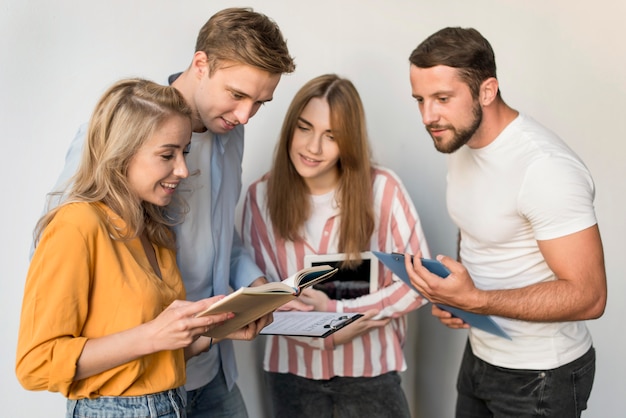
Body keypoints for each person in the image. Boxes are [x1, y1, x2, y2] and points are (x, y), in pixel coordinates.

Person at [38, 7, 296, 418]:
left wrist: (258, 287)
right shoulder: (120, 133)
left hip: (209, 366)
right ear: (200, 64)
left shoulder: (233, 133)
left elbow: (220, 237)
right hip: (134, 381)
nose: (245, 115)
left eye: (260, 103)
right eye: (237, 94)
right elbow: (66, 242)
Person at [406, 27, 607, 417]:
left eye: (442, 98)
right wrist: (457, 299)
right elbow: (480, 227)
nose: (429, 116)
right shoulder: (459, 141)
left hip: (542, 374)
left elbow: (591, 296)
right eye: (420, 100)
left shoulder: (545, 169)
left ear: (487, 91)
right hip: (481, 356)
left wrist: (477, 300)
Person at [16, 78, 239, 417]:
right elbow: (36, 365)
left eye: (184, 153)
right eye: (167, 155)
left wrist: (218, 331)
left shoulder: (154, 229)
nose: (182, 170)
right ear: (120, 153)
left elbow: (150, 361)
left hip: (172, 403)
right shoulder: (76, 225)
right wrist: (152, 335)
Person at [241, 74, 430, 418]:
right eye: (304, 128)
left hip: (371, 377)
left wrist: (340, 315)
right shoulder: (259, 198)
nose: (313, 147)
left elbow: (419, 283)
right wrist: (324, 335)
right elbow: (260, 295)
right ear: (289, 129)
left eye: (331, 136)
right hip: (291, 376)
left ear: (350, 142)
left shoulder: (383, 190)